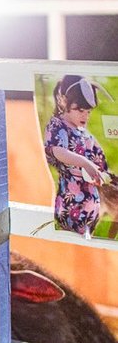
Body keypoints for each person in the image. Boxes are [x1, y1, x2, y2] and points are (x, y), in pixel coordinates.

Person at [43, 74, 117, 237]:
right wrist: (85, 163)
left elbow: (100, 162)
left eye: (88, 111)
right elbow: (57, 151)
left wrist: (107, 175)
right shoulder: (58, 126)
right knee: (72, 241)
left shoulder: (85, 134)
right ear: (63, 101)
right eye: (79, 109)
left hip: (94, 206)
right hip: (72, 207)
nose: (85, 115)